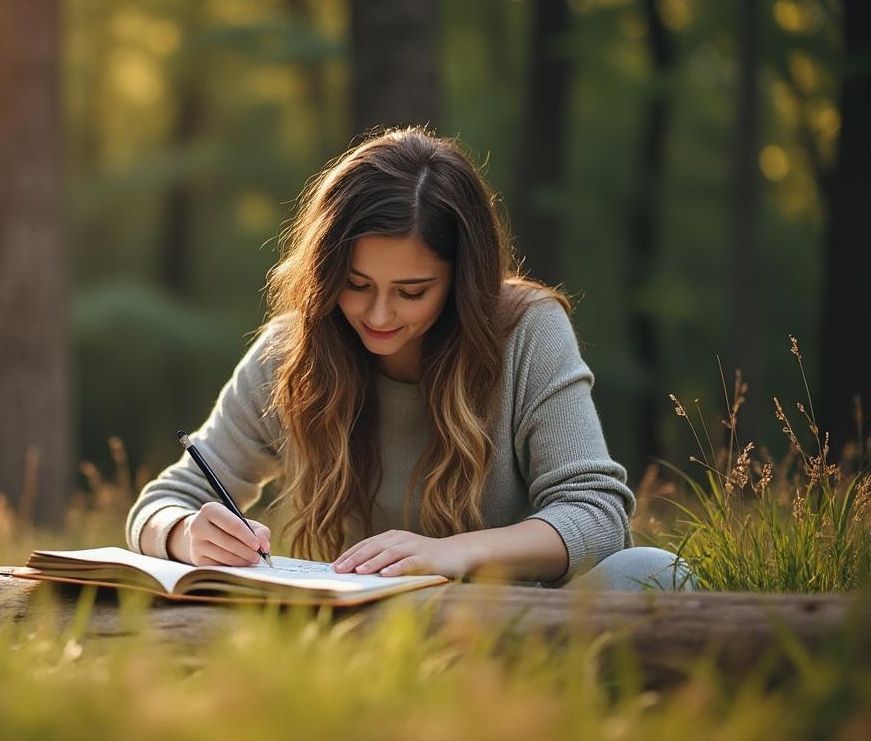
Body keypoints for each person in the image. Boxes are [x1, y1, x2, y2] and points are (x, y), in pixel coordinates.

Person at [125, 127, 691, 591]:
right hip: (366, 627)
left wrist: (449, 555)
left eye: (412, 291)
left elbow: (597, 516)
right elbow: (164, 500)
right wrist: (183, 533)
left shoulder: (527, 330)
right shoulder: (290, 352)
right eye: (355, 283)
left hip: (519, 616)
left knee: (654, 573)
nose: (378, 314)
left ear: (461, 279)